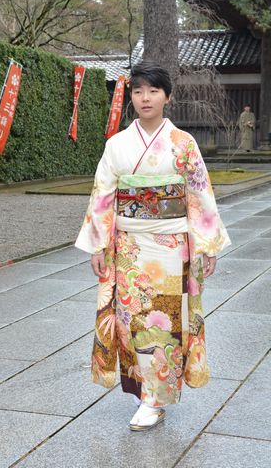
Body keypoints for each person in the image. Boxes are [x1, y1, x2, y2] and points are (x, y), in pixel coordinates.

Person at [75, 60, 231, 432]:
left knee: (164, 320)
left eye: (153, 91)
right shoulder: (117, 144)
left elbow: (198, 193)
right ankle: (141, 389)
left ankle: (154, 399)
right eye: (138, 91)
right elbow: (103, 196)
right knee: (130, 320)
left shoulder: (183, 144)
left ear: (167, 96)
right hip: (128, 243)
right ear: (132, 96)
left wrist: (206, 246)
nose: (145, 98)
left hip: (169, 245)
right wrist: (99, 246)